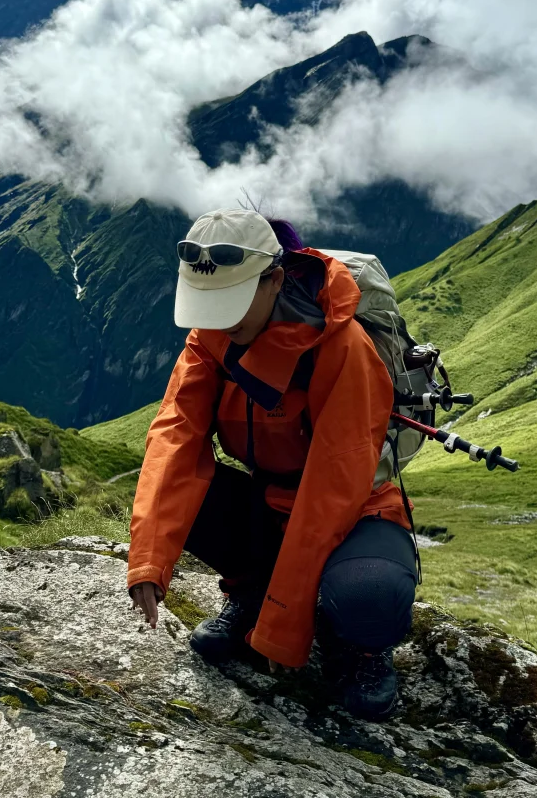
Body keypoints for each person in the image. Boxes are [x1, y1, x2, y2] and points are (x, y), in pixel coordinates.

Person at [126, 208, 419, 720]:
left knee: (370, 595)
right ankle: (254, 595)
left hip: (356, 513)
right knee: (184, 499)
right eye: (209, 304)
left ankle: (362, 649)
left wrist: (282, 634)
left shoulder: (343, 348)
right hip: (272, 503)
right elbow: (175, 438)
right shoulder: (211, 338)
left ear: (275, 281)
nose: (221, 319)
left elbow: (333, 491)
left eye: (232, 302)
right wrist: (149, 560)